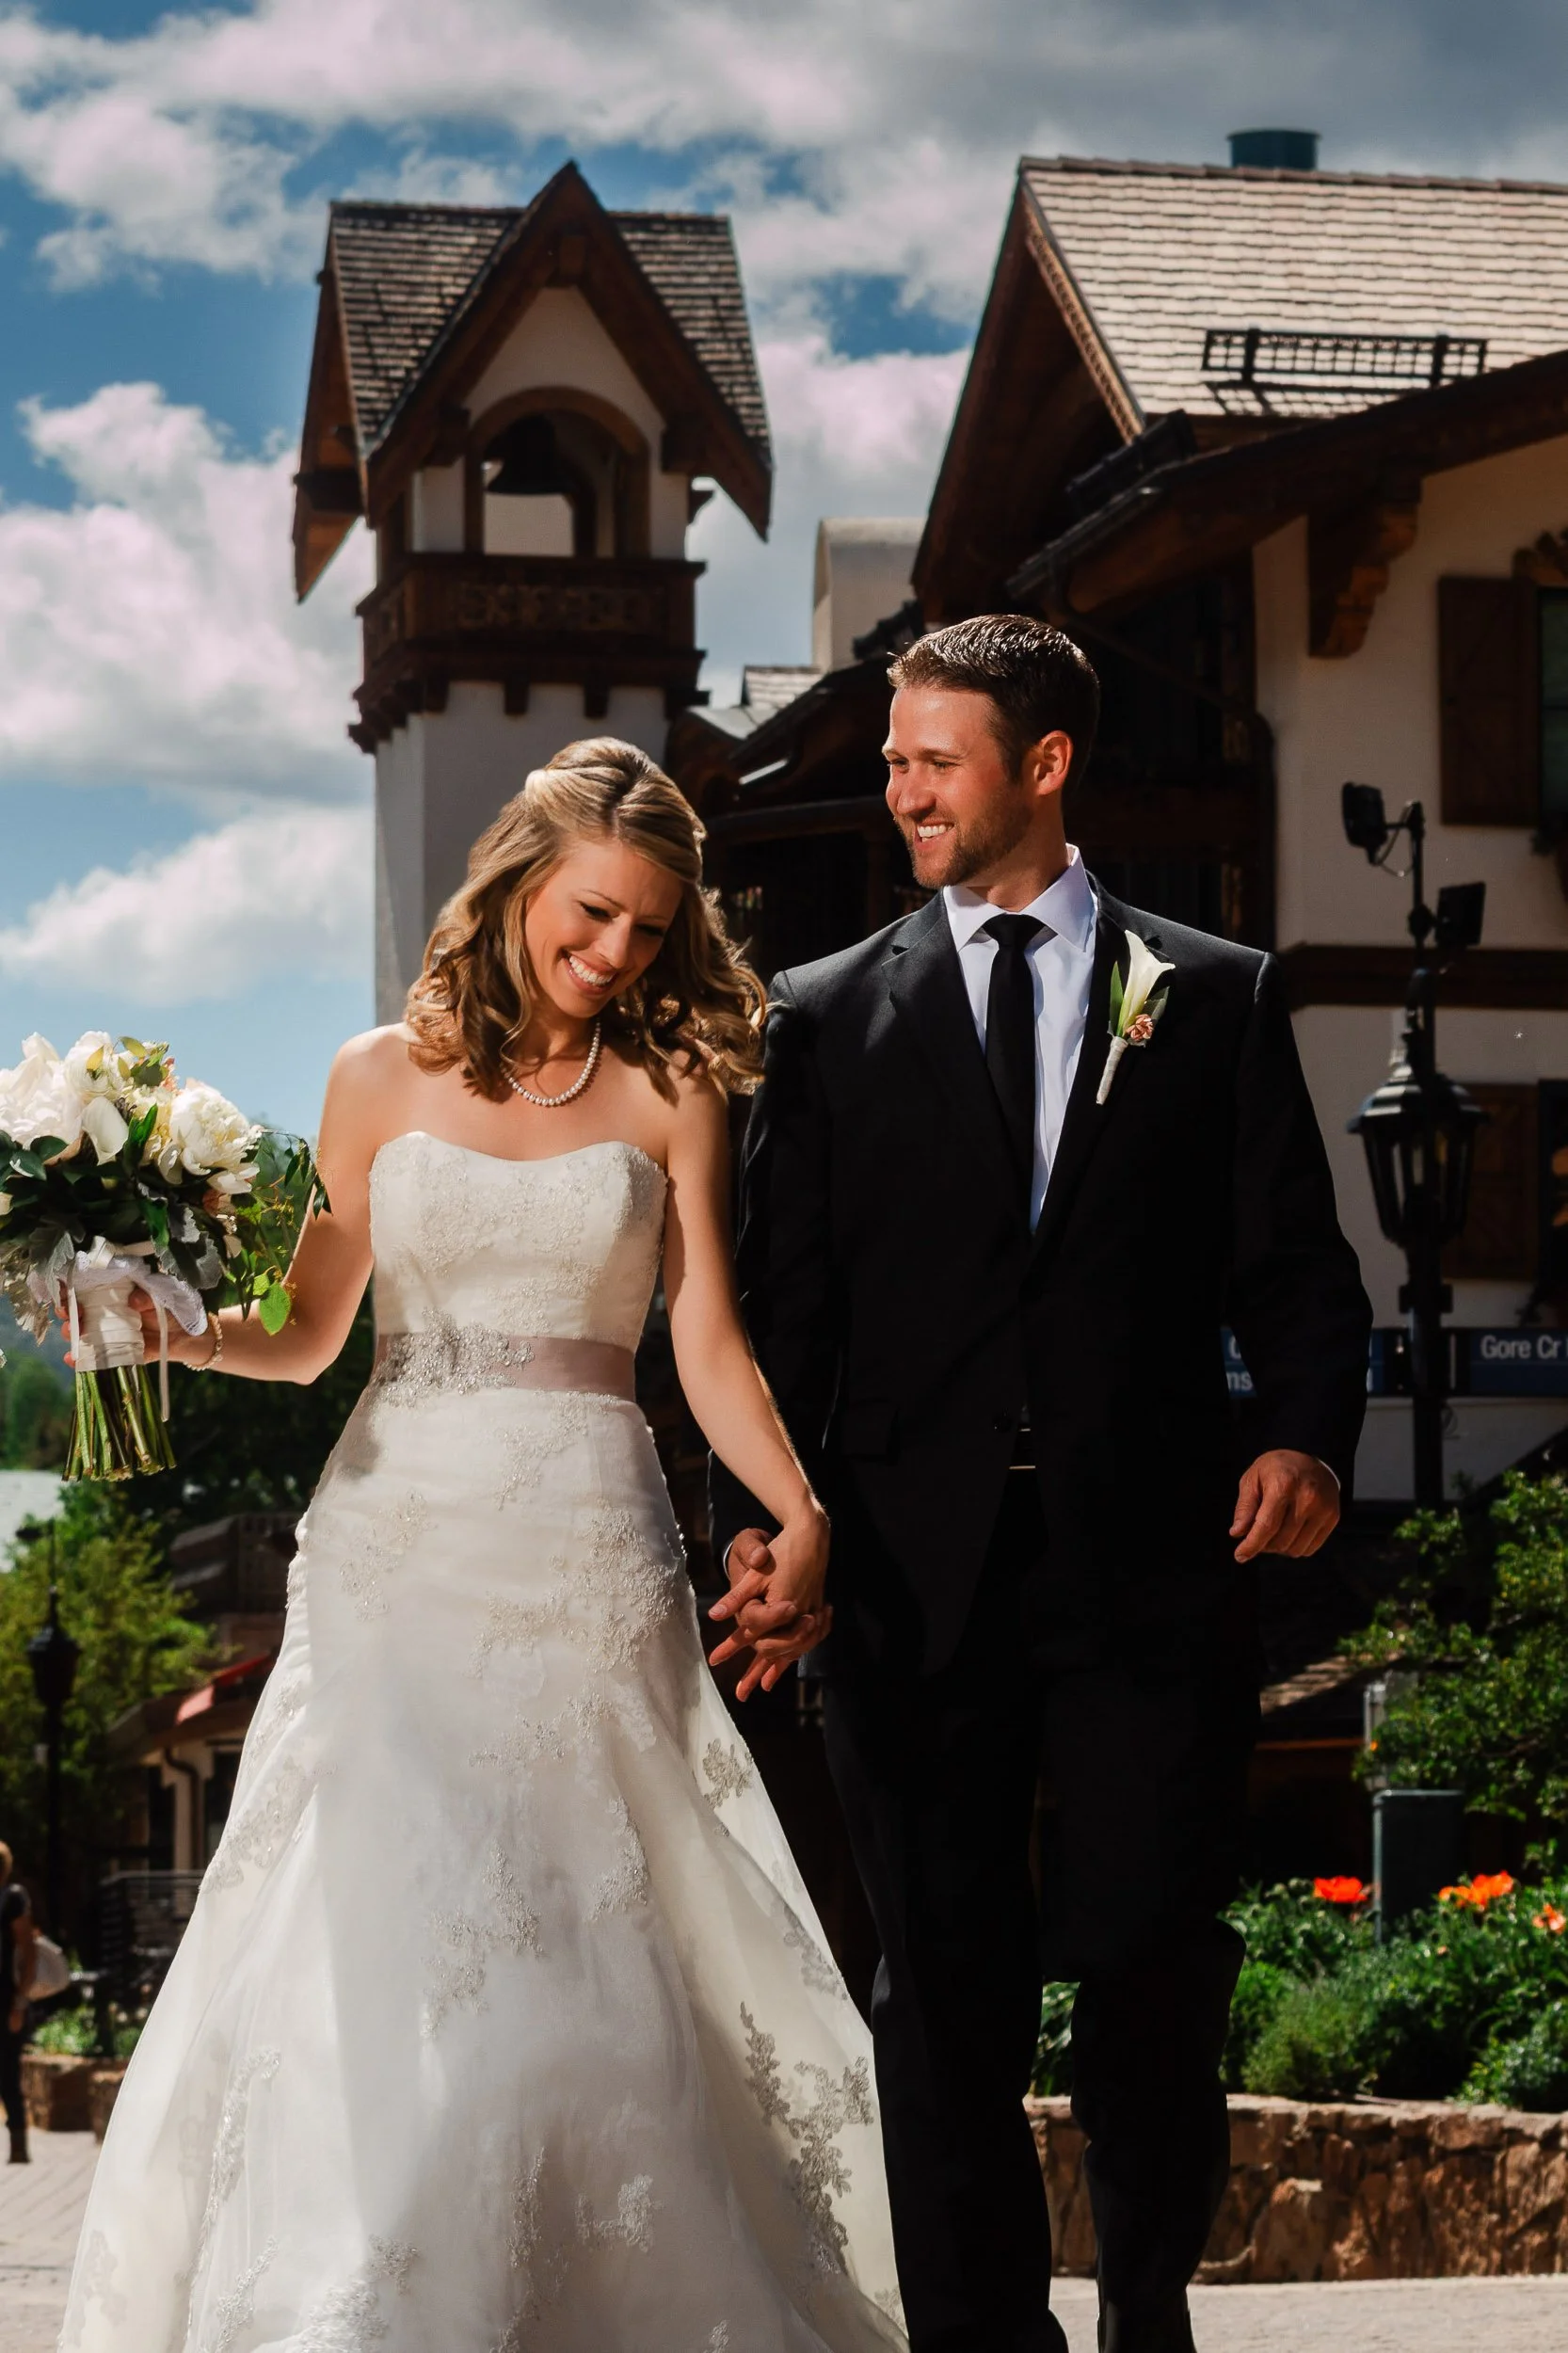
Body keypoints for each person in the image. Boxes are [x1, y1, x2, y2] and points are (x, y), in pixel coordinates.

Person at [59, 741, 905, 2353]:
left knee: (589, 1939)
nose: (615, 957)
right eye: (593, 916)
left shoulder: (675, 1094)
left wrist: (801, 1514)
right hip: (392, 1546)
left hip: (589, 1547)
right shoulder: (375, 1077)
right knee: (371, 1919)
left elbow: (709, 1344)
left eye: (652, 934)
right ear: (520, 878)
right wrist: (164, 1329)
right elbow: (310, 1339)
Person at [708, 616, 1373, 2353]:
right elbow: (776, 1321)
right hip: (907, 1589)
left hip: (1149, 1568)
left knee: (1154, 1957)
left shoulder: (1213, 994)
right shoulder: (825, 1014)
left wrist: (1304, 1434)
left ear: (1044, 764)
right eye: (895, 759)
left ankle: (1147, 2307)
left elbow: (1295, 1269)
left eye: (935, 757)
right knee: (937, 1997)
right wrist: (772, 1540)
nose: (900, 786)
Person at [0, 1842, 37, 2165]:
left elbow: (28, 1950)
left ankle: (19, 2144)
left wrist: (20, 2003)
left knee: (8, 2075)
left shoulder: (11, 1898)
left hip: (6, 2002)